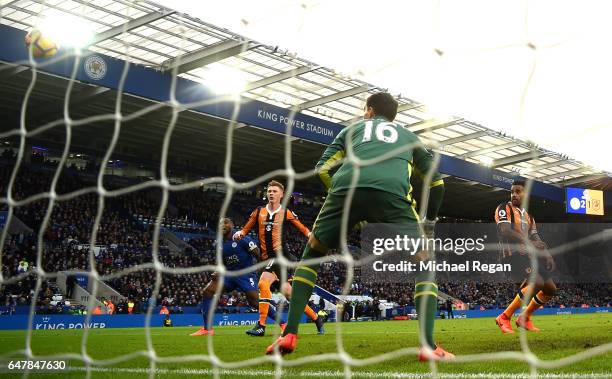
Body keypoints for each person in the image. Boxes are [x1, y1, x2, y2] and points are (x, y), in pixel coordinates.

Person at [265, 92, 453, 361]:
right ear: (393, 116)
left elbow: (322, 169)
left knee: (312, 254)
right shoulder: (410, 138)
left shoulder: (351, 130)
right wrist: (430, 223)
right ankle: (427, 346)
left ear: (369, 110)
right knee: (424, 263)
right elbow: (437, 184)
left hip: (344, 190)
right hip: (392, 195)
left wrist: (344, 197)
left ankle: (290, 333)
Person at [234, 180, 324, 337]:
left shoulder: (286, 212)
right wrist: (241, 233)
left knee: (263, 283)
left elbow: (302, 227)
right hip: (266, 258)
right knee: (288, 293)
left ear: (281, 195)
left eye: (274, 191)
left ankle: (261, 326)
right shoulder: (258, 211)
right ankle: (317, 319)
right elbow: (246, 228)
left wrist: (310, 235)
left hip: (280, 256)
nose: (271, 193)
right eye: (269, 191)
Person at [191, 218, 278, 336]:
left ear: (232, 225)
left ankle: (283, 323)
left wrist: (261, 271)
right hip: (229, 275)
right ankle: (207, 329)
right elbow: (222, 264)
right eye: (221, 223)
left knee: (254, 301)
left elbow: (259, 254)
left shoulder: (241, 238)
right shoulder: (219, 244)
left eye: (225, 223)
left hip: (245, 274)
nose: (223, 225)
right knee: (208, 291)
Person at [494, 179, 557, 333]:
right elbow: (505, 230)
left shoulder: (529, 216)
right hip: (511, 255)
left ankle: (524, 317)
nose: (514, 195)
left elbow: (536, 237)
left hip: (527, 255)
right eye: (512, 191)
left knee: (550, 289)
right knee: (538, 282)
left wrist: (547, 254)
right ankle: (504, 316)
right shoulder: (504, 208)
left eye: (518, 191)